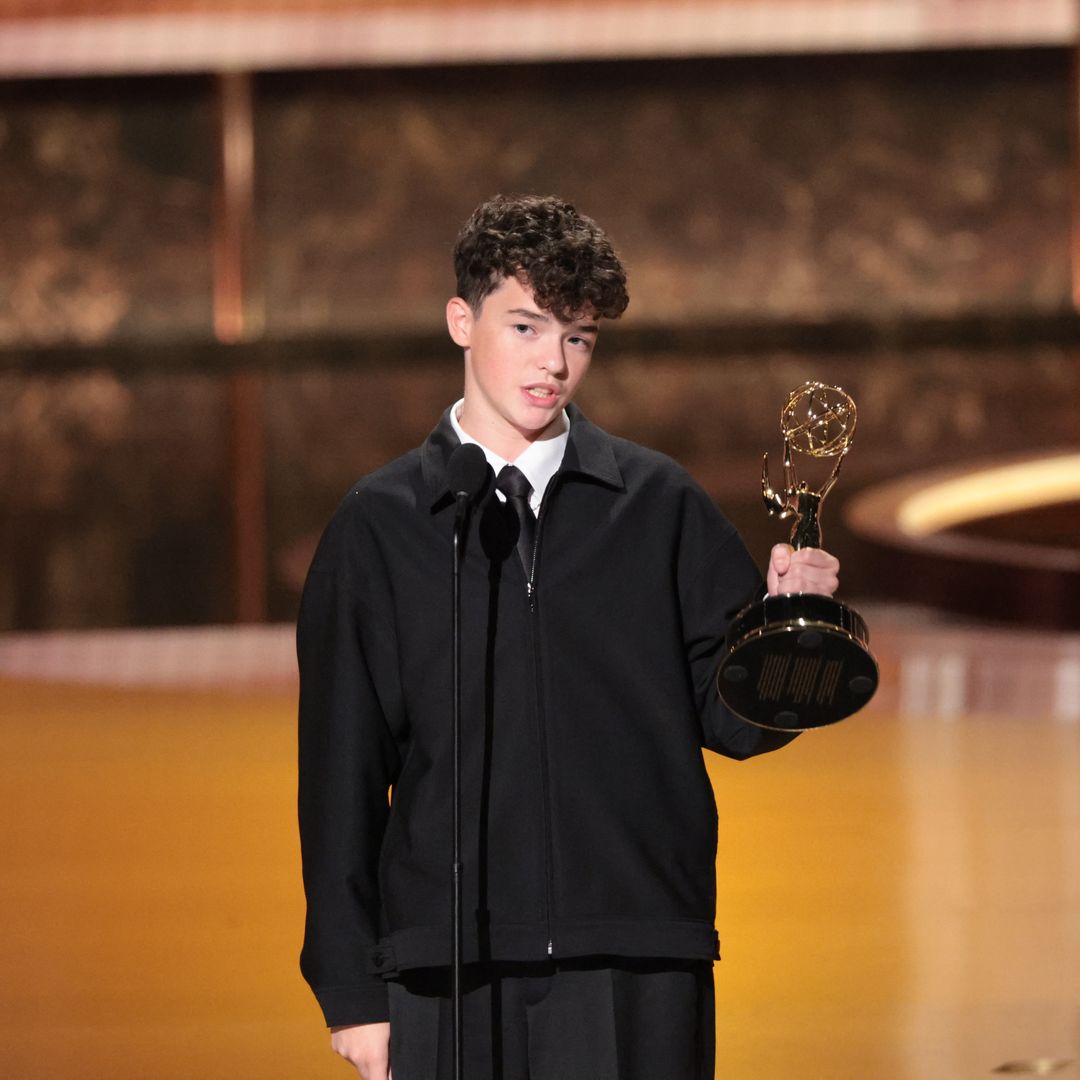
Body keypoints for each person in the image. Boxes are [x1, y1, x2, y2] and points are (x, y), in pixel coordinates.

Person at [297, 194, 840, 1080]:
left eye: (578, 338)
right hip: (449, 966)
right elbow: (339, 779)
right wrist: (353, 992)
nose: (553, 362)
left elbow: (739, 724)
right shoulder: (380, 527)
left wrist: (790, 635)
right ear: (460, 321)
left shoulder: (659, 507)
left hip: (637, 955)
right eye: (526, 326)